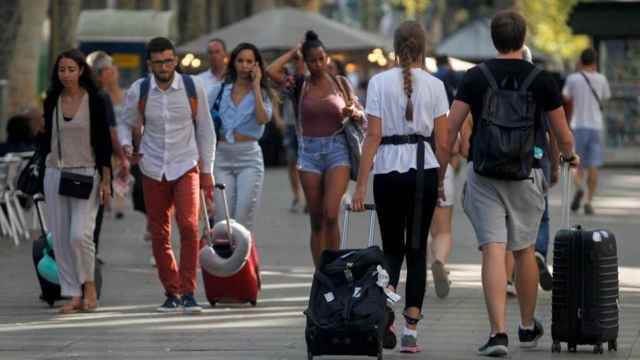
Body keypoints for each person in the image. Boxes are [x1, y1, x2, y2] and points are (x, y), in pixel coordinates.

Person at [447, 11, 579, 356]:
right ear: (523, 39)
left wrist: (446, 162)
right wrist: (568, 157)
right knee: (523, 251)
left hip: (484, 172)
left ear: (493, 39)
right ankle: (525, 326)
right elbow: (561, 133)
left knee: (492, 249)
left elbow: (450, 127)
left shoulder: (475, 77)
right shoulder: (542, 78)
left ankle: (497, 334)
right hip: (527, 171)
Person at [351, 21, 450, 353]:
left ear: (395, 48)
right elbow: (444, 140)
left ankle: (383, 311)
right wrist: (440, 179)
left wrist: (360, 186)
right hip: (424, 170)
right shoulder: (436, 85)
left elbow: (373, 137)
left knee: (391, 249)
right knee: (417, 250)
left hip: (387, 172)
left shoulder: (378, 83)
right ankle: (411, 331)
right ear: (423, 48)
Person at [120, 37, 216, 313]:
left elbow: (206, 131)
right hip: (151, 167)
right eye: (159, 62)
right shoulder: (139, 90)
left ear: (175, 60)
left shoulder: (192, 86)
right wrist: (127, 144)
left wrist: (207, 171)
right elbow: (126, 123)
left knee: (189, 226)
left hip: (186, 164)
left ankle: (188, 292)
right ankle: (171, 292)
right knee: (159, 233)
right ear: (150, 64)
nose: (165, 66)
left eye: (169, 60)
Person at [267, 31, 365, 267]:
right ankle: (321, 274)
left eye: (322, 58)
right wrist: (293, 52)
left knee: (332, 214)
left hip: (337, 149)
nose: (319, 64)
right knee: (317, 220)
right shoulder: (299, 85)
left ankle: (335, 268)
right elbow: (271, 71)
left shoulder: (341, 83)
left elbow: (362, 116)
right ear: (306, 62)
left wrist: (353, 112)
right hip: (309, 153)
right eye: (313, 60)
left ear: (327, 58)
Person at [39, 49, 113, 314]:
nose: (66, 74)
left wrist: (106, 181)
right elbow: (45, 138)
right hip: (55, 172)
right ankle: (71, 293)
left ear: (81, 70)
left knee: (79, 235)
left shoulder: (96, 99)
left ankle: (89, 286)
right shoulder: (52, 99)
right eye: (61, 70)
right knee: (59, 237)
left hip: (86, 173)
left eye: (71, 69)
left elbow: (104, 142)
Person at [207, 42, 274, 232]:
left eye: (249, 61)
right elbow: (203, 122)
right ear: (233, 63)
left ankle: (242, 260)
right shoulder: (219, 91)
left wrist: (256, 86)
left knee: (243, 216)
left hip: (249, 158)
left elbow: (262, 119)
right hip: (222, 156)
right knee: (222, 216)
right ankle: (224, 258)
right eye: (240, 61)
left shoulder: (261, 93)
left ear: (256, 65)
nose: (245, 65)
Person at [86, 51, 129, 263]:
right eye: (111, 69)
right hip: (97, 162)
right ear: (103, 73)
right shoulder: (102, 97)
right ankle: (91, 249)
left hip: (72, 162)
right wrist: (122, 159)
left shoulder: (76, 93)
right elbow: (112, 134)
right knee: (97, 205)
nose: (114, 73)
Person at [564, 48, 611, 215]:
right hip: (596, 127)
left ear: (581, 61)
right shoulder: (601, 79)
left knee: (575, 163)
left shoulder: (573, 78)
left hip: (577, 125)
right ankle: (589, 202)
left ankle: (579, 187)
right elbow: (606, 97)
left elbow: (566, 97)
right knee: (593, 165)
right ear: (595, 62)